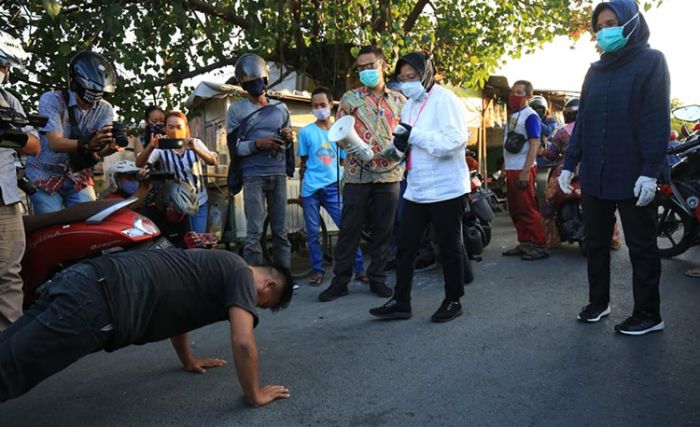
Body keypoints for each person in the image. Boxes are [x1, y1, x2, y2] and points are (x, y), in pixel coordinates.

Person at [0, 249, 294, 406]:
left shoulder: (217, 265)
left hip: (85, 280)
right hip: (97, 303)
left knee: (6, 353)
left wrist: (188, 359)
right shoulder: (241, 274)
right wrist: (254, 394)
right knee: (9, 373)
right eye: (264, 303)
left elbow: (178, 313)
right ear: (268, 284)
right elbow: (243, 342)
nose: (255, 307)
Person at [559, 0, 670, 335]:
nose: (605, 30)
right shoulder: (596, 70)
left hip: (634, 173)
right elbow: (584, 123)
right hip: (596, 174)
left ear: (631, 22)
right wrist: (569, 165)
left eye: (612, 22)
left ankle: (649, 314)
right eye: (600, 25)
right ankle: (599, 302)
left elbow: (655, 118)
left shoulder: (651, 62)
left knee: (641, 246)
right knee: (595, 242)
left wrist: (650, 170)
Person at [369, 51, 470, 322]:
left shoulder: (445, 99)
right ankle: (401, 301)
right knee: (406, 246)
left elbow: (455, 141)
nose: (406, 82)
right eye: (402, 78)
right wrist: (394, 150)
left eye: (411, 77)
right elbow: (405, 139)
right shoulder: (410, 104)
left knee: (448, 247)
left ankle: (453, 300)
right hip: (417, 188)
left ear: (425, 74)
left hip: (446, 188)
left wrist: (415, 136)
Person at [318, 45, 406, 302]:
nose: (366, 71)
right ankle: (340, 281)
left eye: (371, 65)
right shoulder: (349, 98)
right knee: (349, 229)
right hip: (357, 174)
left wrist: (397, 151)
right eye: (361, 67)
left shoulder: (400, 101)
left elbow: (407, 135)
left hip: (390, 175)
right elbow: (338, 135)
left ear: (383, 65)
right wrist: (356, 148)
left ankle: (377, 278)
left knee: (384, 230)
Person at [25, 50, 120, 214]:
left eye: (100, 91)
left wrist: (111, 147)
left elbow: (99, 150)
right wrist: (87, 143)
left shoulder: (105, 109)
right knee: (51, 225)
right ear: (75, 82)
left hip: (78, 174)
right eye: (91, 88)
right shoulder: (52, 99)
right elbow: (55, 143)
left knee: (89, 220)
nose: (95, 94)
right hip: (44, 172)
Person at [226, 53, 294, 268]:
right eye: (249, 83)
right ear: (243, 86)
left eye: (257, 81)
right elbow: (235, 148)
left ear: (265, 80)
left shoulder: (281, 108)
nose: (254, 86)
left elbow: (289, 143)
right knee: (254, 233)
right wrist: (258, 144)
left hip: (278, 172)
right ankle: (254, 278)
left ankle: (284, 275)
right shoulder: (236, 110)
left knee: (280, 231)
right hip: (252, 175)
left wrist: (288, 139)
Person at [297, 86, 366, 285]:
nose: (318, 108)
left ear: (330, 105)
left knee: (347, 228)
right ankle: (317, 270)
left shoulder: (340, 133)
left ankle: (359, 268)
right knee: (312, 232)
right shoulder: (306, 133)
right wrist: (302, 190)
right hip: (310, 189)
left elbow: (344, 162)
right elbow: (303, 164)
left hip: (334, 188)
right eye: (314, 106)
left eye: (322, 105)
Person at [540, 99, 622, 250]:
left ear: (566, 115)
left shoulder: (562, 133)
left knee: (549, 203)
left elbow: (551, 155)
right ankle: (613, 239)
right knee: (607, 204)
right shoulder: (597, 129)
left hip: (564, 172)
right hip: (594, 169)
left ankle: (549, 240)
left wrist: (542, 151)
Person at [0, 31, 40, 331]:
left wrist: (8, 133)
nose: (4, 73)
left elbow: (35, 145)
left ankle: (10, 353)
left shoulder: (8, 100)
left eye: (5, 68)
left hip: (6, 199)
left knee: (9, 275)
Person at [136, 111, 216, 233]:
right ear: (165, 129)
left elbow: (212, 161)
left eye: (179, 127)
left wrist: (196, 149)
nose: (175, 130)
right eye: (171, 127)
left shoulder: (195, 143)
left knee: (198, 237)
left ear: (186, 128)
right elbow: (140, 163)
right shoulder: (161, 148)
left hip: (199, 200)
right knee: (183, 239)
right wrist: (151, 146)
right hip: (175, 205)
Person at [501, 80, 548, 260]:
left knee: (527, 208)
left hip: (522, 169)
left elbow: (534, 144)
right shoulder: (514, 115)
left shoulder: (530, 116)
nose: (514, 95)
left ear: (529, 96)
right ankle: (525, 243)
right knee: (515, 209)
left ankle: (539, 245)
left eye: (519, 92)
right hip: (512, 169)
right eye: (513, 91)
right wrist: (505, 167)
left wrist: (526, 171)